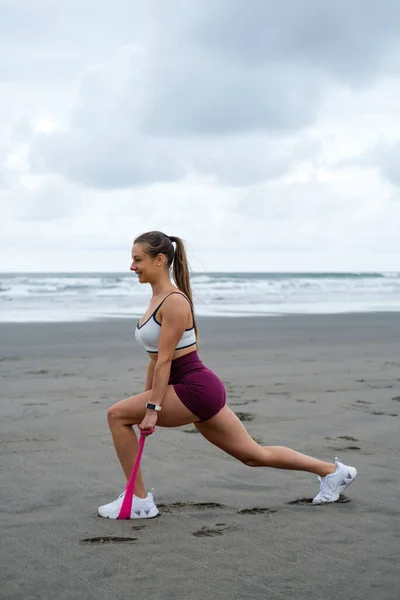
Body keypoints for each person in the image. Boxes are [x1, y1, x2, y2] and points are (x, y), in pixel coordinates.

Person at [98, 231, 357, 519]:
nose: (132, 266)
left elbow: (166, 362)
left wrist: (151, 409)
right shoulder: (157, 298)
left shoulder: (173, 301)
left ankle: (139, 500)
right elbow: (155, 360)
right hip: (196, 389)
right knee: (253, 455)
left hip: (194, 389)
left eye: (137, 259)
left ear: (159, 260)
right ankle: (333, 472)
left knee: (116, 415)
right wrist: (147, 399)